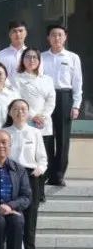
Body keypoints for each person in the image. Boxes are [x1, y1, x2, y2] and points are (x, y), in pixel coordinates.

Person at [3, 99, 48, 249]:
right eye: (15, 109)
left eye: (23, 109)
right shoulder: (4, 132)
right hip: (9, 174)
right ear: (10, 112)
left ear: (28, 113)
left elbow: (42, 158)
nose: (19, 112)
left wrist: (39, 169)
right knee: (11, 216)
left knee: (30, 219)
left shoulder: (35, 133)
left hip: (30, 177)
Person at [41, 25, 83, 186]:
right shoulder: (41, 57)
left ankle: (59, 174)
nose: (56, 38)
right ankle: (47, 171)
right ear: (48, 38)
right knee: (46, 136)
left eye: (60, 35)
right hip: (45, 98)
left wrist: (76, 105)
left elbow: (77, 82)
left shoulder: (72, 57)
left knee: (63, 138)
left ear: (65, 37)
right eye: (53, 35)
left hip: (64, 97)